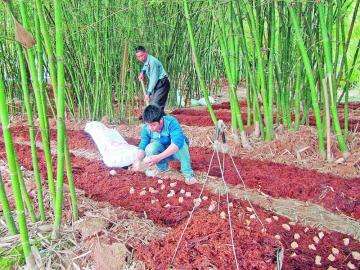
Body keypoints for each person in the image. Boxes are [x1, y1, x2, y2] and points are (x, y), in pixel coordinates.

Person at [132, 105, 197, 185]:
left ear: (161, 120)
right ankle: (163, 169)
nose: (150, 128)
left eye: (153, 125)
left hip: (176, 151)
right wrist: (138, 160)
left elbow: (177, 143)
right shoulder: (147, 128)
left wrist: (159, 157)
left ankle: (188, 174)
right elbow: (143, 145)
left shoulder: (171, 122)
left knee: (182, 145)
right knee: (150, 148)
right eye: (148, 125)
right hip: (162, 149)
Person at [135, 46, 170, 113]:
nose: (140, 58)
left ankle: (160, 120)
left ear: (146, 53)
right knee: (154, 104)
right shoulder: (147, 60)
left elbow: (154, 79)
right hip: (158, 84)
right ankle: (155, 120)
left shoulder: (153, 62)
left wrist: (148, 93)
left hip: (162, 83)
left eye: (141, 55)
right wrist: (142, 72)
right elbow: (145, 66)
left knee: (156, 104)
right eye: (138, 57)